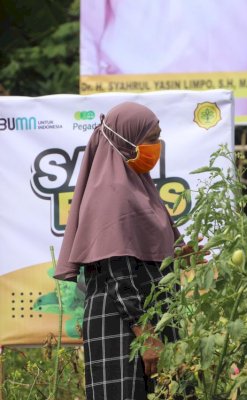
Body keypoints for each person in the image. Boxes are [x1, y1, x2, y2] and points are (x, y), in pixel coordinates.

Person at [55, 102, 182, 399]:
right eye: (151, 138)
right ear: (126, 139)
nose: (156, 146)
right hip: (124, 324)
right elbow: (117, 272)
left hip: (146, 319)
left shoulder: (136, 185)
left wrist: (177, 254)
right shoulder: (112, 192)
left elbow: (138, 255)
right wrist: (147, 336)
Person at [80, 0, 247, 116]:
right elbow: (89, 27)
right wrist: (88, 105)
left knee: (244, 203)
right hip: (137, 101)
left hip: (238, 107)